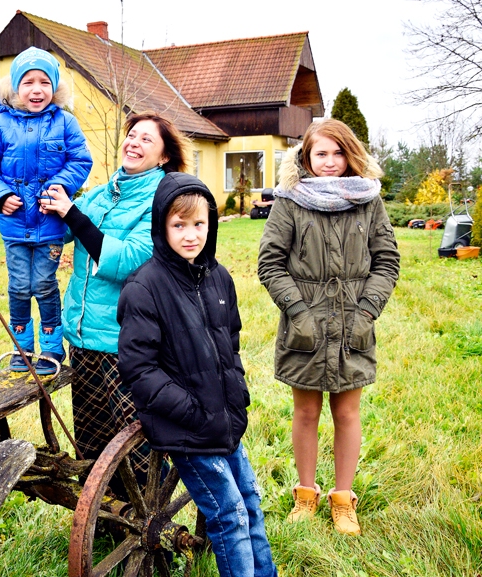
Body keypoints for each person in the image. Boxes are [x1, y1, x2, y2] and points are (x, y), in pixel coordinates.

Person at [117, 173, 277, 577]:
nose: (191, 235)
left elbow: (231, 341)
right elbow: (139, 368)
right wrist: (192, 411)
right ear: (161, 226)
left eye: (199, 224)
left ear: (212, 223)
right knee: (229, 516)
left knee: (250, 505)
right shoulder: (144, 288)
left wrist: (235, 393)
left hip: (224, 421)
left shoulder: (219, 278)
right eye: (179, 225)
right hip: (187, 429)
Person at [257, 119, 400, 535]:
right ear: (306, 157)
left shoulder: (369, 201)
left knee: (347, 412)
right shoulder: (290, 201)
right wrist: (298, 311)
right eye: (321, 153)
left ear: (350, 155)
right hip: (304, 326)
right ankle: (306, 493)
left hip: (354, 323)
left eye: (338, 153)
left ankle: (343, 499)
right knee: (305, 411)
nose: (330, 161)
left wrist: (365, 313)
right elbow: (270, 263)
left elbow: (386, 262)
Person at [40, 111, 188, 478]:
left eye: (146, 140)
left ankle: (144, 520)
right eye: (132, 135)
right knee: (92, 440)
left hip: (126, 341)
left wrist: (71, 213)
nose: (134, 144)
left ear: (164, 156)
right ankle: (104, 522)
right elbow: (66, 232)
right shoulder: (105, 192)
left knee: (135, 442)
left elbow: (127, 261)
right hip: (84, 334)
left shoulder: (162, 200)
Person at [0, 46, 92, 374]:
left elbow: (81, 160)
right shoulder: (0, 125)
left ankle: (52, 347)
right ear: (15, 88)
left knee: (43, 283)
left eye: (43, 82)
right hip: (14, 225)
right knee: (18, 286)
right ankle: (22, 346)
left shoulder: (65, 122)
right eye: (28, 82)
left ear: (53, 88)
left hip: (50, 223)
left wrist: (58, 186)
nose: (36, 89)